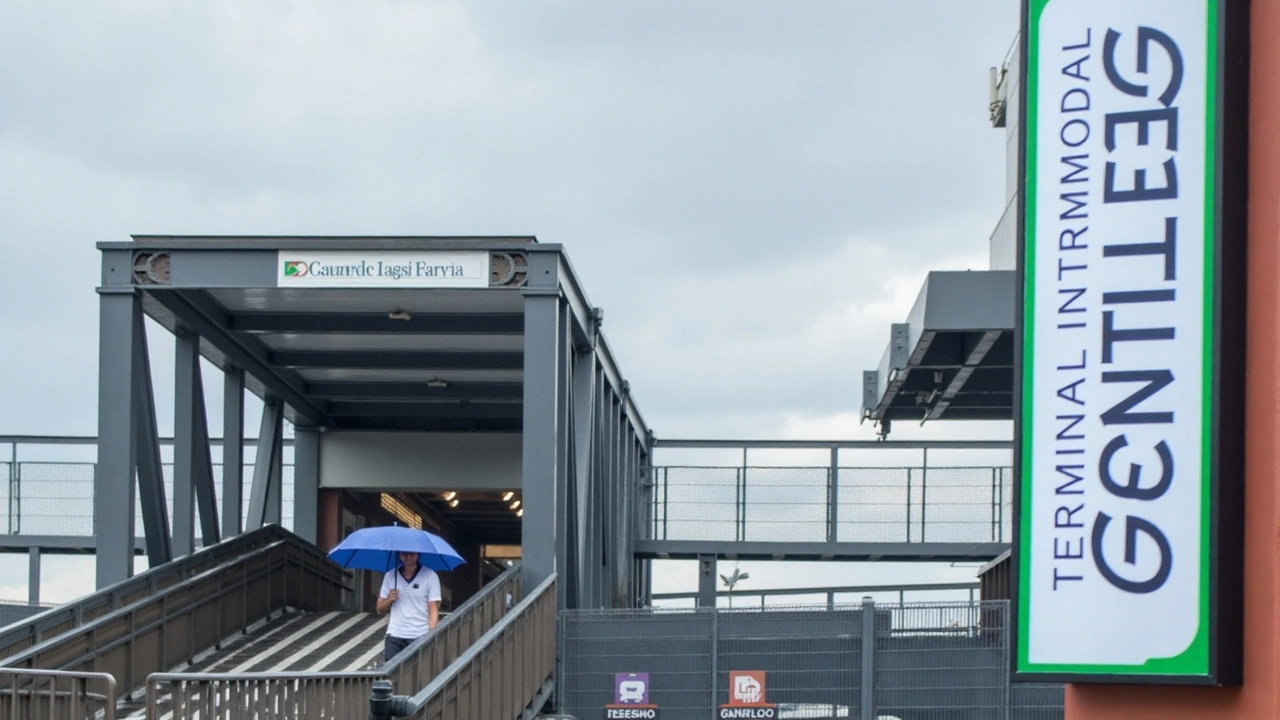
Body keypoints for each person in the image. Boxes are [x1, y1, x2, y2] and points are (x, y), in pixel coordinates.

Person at [376, 550, 442, 662]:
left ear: (418, 554)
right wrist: (389, 600)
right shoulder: (390, 576)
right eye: (404, 554)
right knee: (390, 673)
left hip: (420, 633)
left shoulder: (430, 576)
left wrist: (431, 634)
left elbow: (433, 608)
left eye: (412, 554)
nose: (408, 557)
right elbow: (379, 608)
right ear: (399, 555)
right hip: (395, 634)